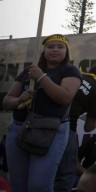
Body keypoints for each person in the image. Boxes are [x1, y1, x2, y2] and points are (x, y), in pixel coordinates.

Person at [2, 34, 82, 192]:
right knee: (18, 185)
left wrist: (41, 77)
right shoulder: (28, 72)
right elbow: (6, 101)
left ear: (66, 52)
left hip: (50, 132)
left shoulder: (70, 71)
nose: (55, 50)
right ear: (43, 51)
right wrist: (19, 101)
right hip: (20, 129)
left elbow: (64, 98)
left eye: (60, 47)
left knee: (39, 186)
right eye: (50, 46)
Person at [55, 62, 96, 192]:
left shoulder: (75, 76)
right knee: (66, 172)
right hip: (67, 128)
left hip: (47, 123)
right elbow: (88, 128)